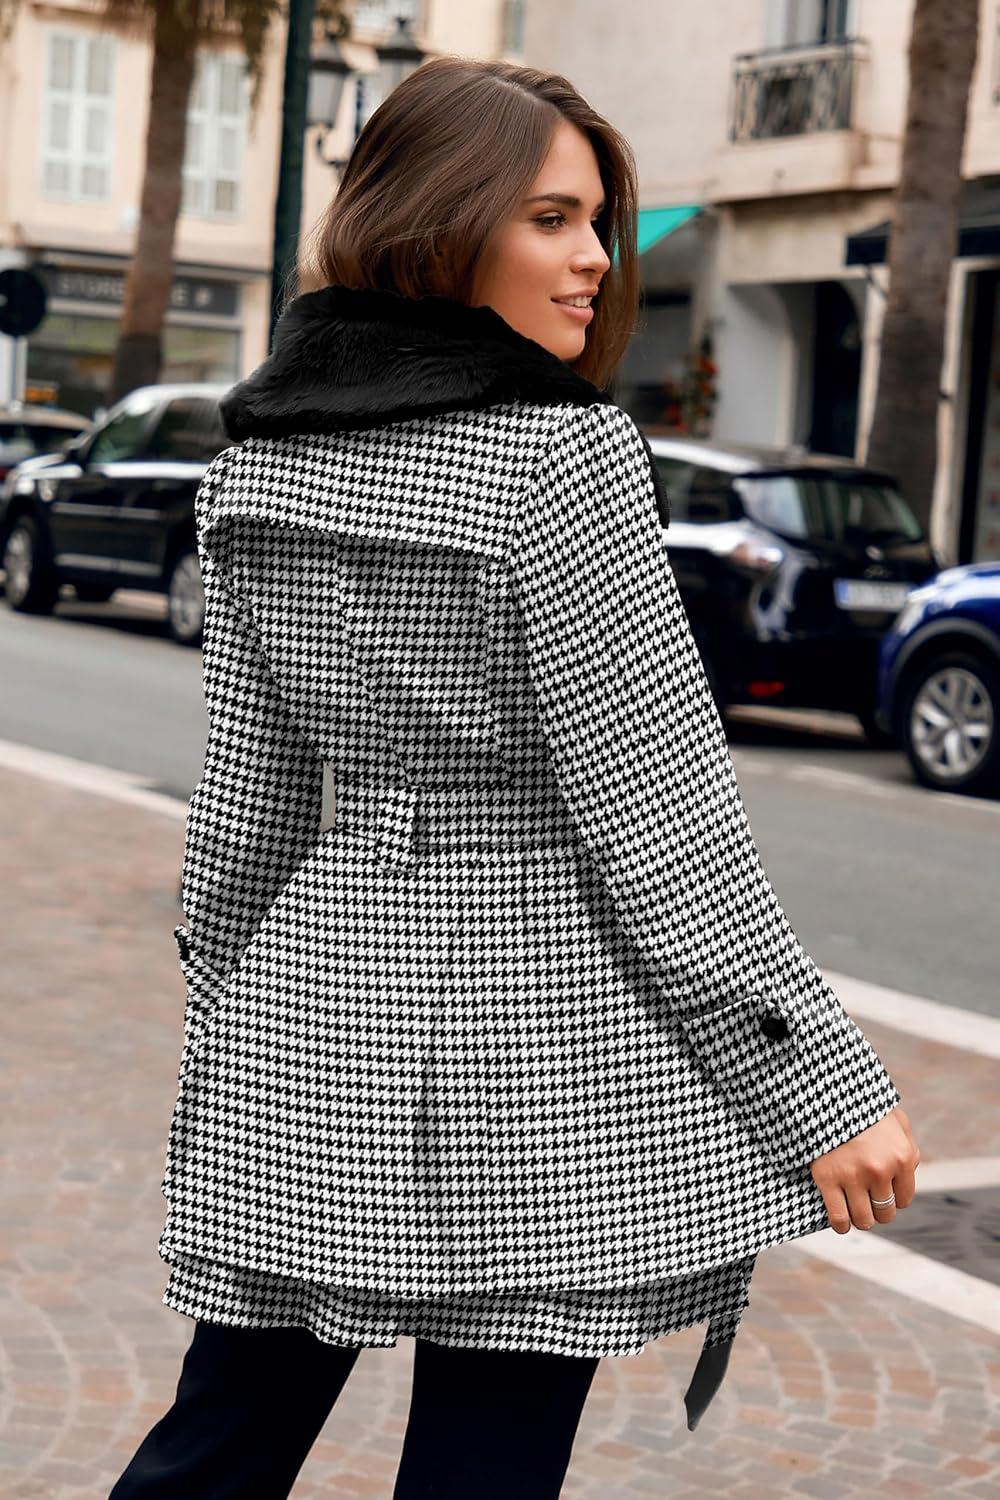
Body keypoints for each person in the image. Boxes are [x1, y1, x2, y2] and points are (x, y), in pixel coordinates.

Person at [109, 54, 920, 1500]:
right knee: (480, 1468)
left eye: (597, 220)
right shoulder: (558, 453)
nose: (596, 257)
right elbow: (662, 818)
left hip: (310, 1018)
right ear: (437, 220)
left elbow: (247, 806)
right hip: (530, 1051)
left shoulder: (262, 455)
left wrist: (236, 1015)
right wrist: (825, 1089)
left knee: (217, 1444)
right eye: (552, 219)